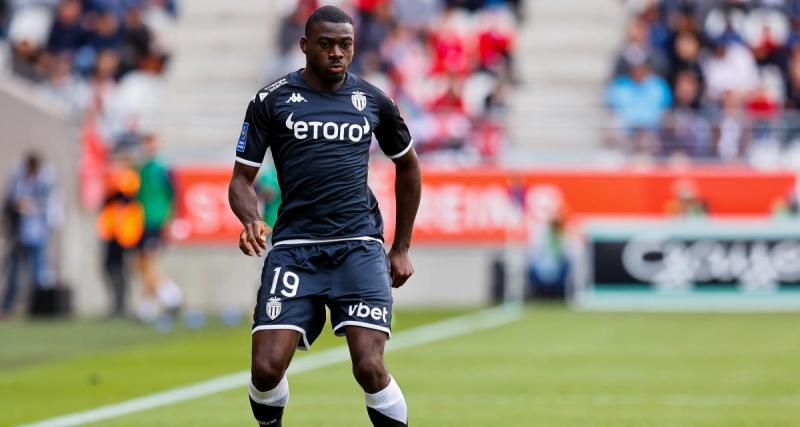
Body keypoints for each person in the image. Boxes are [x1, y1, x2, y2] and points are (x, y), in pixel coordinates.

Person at [227, 6, 421, 426]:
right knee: (265, 369)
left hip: (359, 248)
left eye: (345, 45)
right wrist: (250, 219)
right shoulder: (271, 100)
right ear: (304, 46)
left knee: (368, 365)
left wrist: (401, 246)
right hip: (295, 249)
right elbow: (241, 179)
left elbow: (408, 165)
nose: (337, 53)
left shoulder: (372, 100)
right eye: (327, 44)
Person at [134, 134, 182, 323]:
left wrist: (170, 221)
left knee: (148, 262)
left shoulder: (163, 168)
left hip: (156, 221)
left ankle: (172, 296)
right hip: (142, 222)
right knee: (141, 264)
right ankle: (149, 307)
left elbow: (174, 195)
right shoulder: (142, 168)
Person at [1, 152, 56, 316]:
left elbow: (49, 204)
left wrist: (33, 206)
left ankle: (39, 306)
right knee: (14, 270)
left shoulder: (46, 180)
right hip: (20, 233)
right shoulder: (18, 178)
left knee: (38, 270)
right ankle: (8, 305)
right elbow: (9, 201)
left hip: (38, 232)